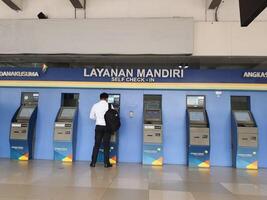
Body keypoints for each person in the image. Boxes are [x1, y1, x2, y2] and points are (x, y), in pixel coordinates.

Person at [89, 92, 112, 168]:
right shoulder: (109, 105)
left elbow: (91, 117)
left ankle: (93, 163)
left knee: (96, 145)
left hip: (98, 127)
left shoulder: (95, 105)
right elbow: (113, 117)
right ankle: (106, 163)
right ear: (107, 98)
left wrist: (98, 119)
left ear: (100, 98)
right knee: (106, 146)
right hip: (107, 128)